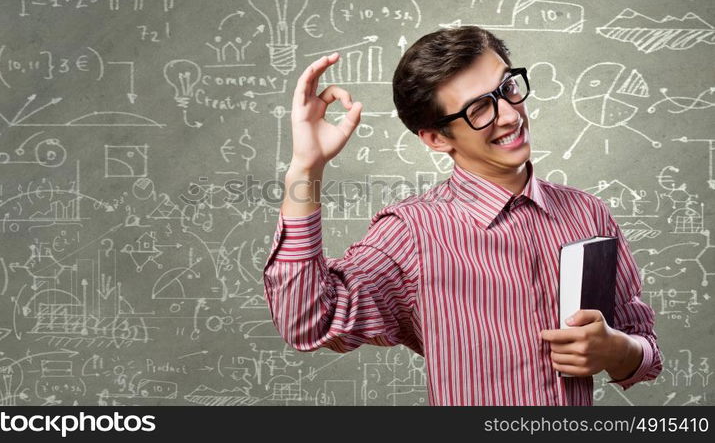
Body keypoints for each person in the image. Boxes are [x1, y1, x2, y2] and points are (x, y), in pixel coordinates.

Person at [261, 26, 662, 405]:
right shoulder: (412, 233)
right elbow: (308, 322)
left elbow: (644, 351)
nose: (508, 115)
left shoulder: (587, 213)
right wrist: (306, 169)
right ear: (436, 139)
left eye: (507, 89)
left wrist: (615, 348)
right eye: (478, 110)